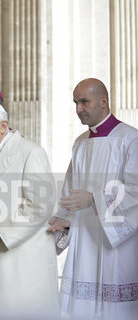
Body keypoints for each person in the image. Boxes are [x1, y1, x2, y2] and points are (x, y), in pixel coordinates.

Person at [47, 78, 138, 319]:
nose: (78, 109)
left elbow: (135, 191)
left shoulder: (131, 139)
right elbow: (70, 190)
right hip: (85, 240)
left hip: (117, 245)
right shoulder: (79, 144)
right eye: (76, 103)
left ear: (104, 101)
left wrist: (95, 199)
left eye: (84, 102)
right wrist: (63, 219)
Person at [0, 101, 60, 319]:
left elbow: (40, 205)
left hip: (24, 260)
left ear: (3, 126)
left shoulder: (31, 152)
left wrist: (0, 232)